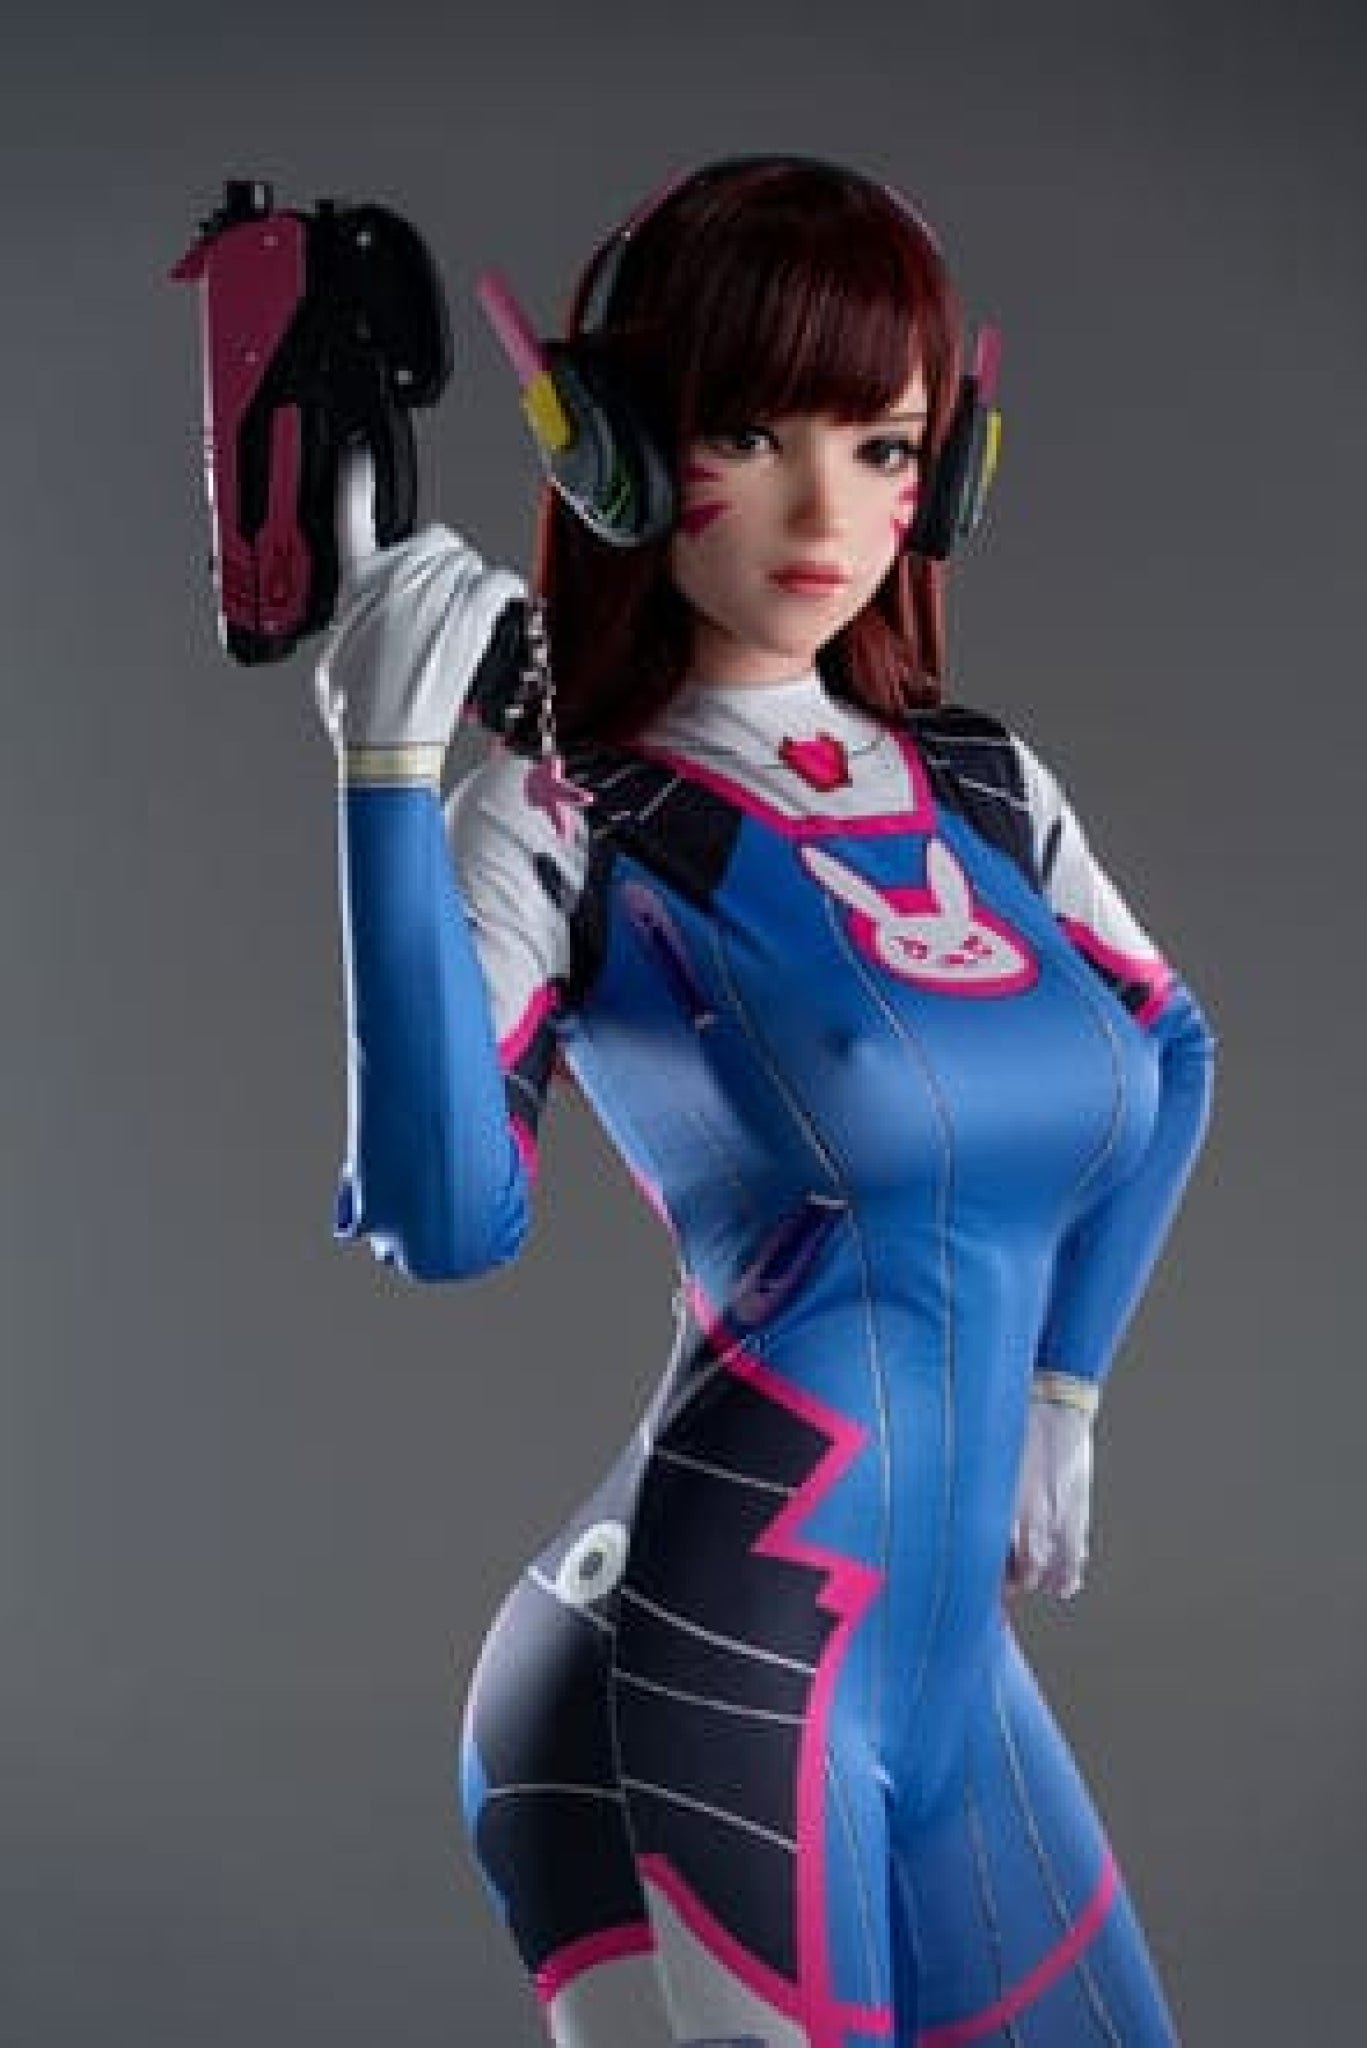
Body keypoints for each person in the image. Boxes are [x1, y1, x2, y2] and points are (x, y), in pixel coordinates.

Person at [314, 157, 1215, 2048]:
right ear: (619, 457)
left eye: (884, 446)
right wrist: (385, 782)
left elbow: (1172, 1050)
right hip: (709, 1662)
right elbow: (448, 1220)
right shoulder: (568, 817)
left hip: (944, 1670)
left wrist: (1065, 1384)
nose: (827, 509)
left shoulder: (983, 790)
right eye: (750, 432)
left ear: (944, 475)